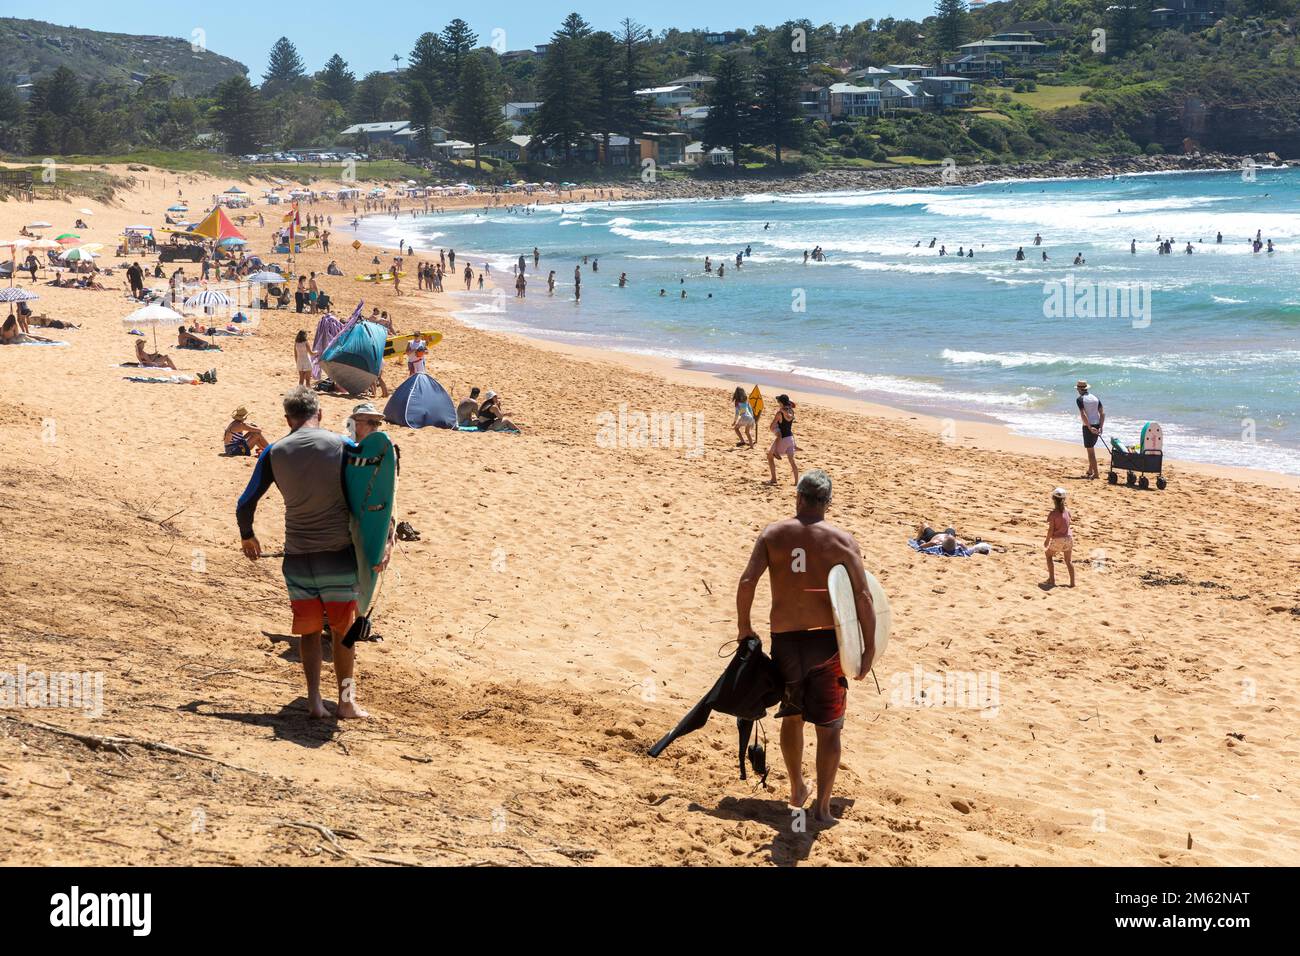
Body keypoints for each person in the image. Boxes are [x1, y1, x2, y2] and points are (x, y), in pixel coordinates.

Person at [237, 387, 385, 720]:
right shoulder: (343, 446)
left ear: (287, 419)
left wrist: (248, 536)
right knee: (343, 633)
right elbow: (373, 492)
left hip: (298, 558)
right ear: (319, 413)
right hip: (337, 555)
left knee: (308, 631)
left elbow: (245, 502)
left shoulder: (273, 452)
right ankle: (346, 703)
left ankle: (314, 703)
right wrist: (380, 542)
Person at [735, 469, 874, 824]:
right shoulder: (842, 541)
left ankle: (797, 787)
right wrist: (869, 649)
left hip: (786, 641)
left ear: (797, 497)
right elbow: (862, 596)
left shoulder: (773, 534)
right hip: (826, 645)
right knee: (829, 728)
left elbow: (748, 580)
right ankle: (823, 809)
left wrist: (744, 627)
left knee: (792, 715)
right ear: (827, 503)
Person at [1044, 487, 1075, 588]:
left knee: (1048, 556)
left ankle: (1052, 580)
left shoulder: (1053, 514)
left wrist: (1047, 540)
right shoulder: (1068, 511)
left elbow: (1051, 529)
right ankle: (1072, 583)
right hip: (1069, 538)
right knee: (1068, 561)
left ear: (1053, 499)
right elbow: (1068, 524)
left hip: (1058, 539)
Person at [766, 394, 799, 485]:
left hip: (782, 439)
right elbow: (789, 417)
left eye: (778, 402)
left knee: (769, 457)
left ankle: (773, 479)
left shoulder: (779, 413)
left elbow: (772, 425)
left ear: (781, 402)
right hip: (790, 439)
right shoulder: (792, 411)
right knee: (792, 462)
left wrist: (774, 429)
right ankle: (796, 482)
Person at [1076, 380, 1104, 479]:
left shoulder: (1080, 399)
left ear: (1079, 389)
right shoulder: (1096, 398)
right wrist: (1101, 426)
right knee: (1092, 447)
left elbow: (1083, 414)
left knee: (1090, 452)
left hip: (1088, 426)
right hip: (1097, 424)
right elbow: (1102, 413)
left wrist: (1089, 427)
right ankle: (1090, 470)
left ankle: (1096, 474)